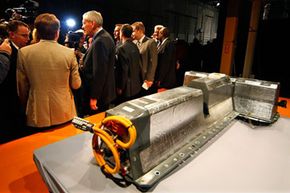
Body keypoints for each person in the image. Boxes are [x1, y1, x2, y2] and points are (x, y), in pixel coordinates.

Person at [17, 13, 81, 128]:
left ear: (37, 32)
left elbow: (22, 88)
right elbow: (76, 85)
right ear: (57, 32)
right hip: (64, 112)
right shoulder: (69, 53)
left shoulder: (23, 53)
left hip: (37, 113)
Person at [0, 20, 30, 143]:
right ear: (12, 35)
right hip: (7, 103)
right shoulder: (7, 51)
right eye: (24, 35)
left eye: (28, 35)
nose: (28, 39)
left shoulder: (21, 51)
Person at [81, 10, 116, 115]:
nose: (82, 26)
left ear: (92, 24)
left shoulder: (100, 40)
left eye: (84, 23)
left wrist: (94, 97)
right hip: (103, 93)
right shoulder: (103, 37)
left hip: (99, 96)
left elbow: (100, 71)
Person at [115, 24, 142, 104]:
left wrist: (120, 87)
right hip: (136, 86)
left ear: (121, 33)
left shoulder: (121, 48)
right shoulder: (135, 46)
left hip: (127, 89)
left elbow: (124, 70)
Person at [131, 21, 158, 95]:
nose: (131, 33)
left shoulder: (150, 42)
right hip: (136, 79)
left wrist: (149, 79)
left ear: (139, 30)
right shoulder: (134, 42)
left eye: (133, 31)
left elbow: (153, 62)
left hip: (145, 79)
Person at [155, 27, 176, 92]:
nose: (158, 35)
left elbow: (166, 63)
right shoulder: (163, 43)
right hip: (164, 78)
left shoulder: (168, 44)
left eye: (159, 33)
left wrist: (161, 79)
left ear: (162, 34)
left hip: (166, 79)